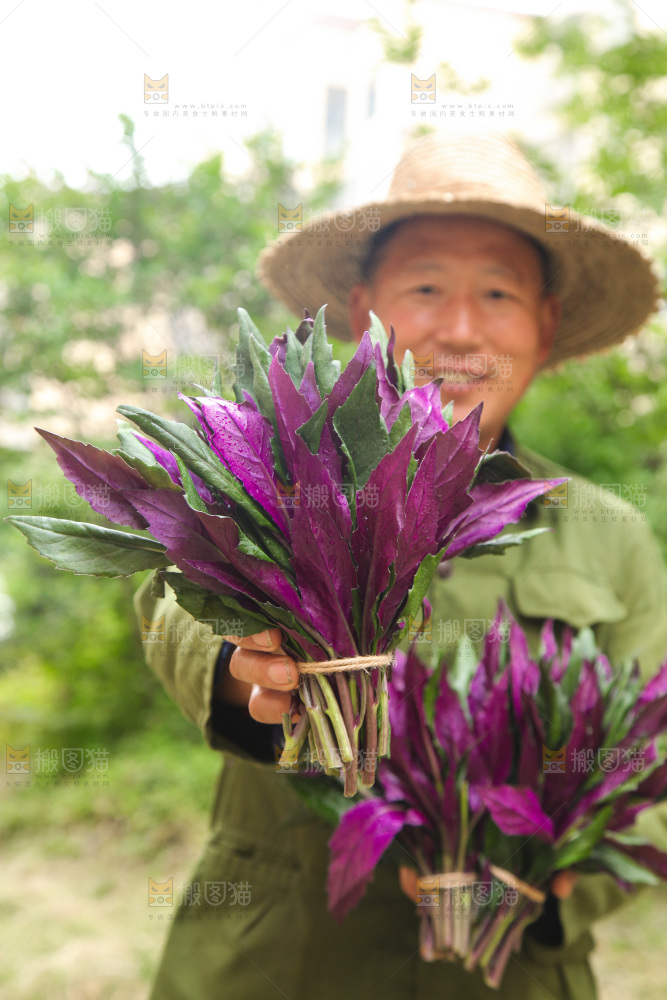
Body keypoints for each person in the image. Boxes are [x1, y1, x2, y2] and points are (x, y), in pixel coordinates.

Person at [134, 132, 667, 1000]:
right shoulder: (281, 473)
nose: (458, 329)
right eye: (425, 288)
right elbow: (170, 601)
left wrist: (540, 872)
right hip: (279, 961)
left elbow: (647, 764)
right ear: (363, 308)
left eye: (497, 293)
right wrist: (242, 669)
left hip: (508, 974)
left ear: (545, 324)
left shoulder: (608, 536)